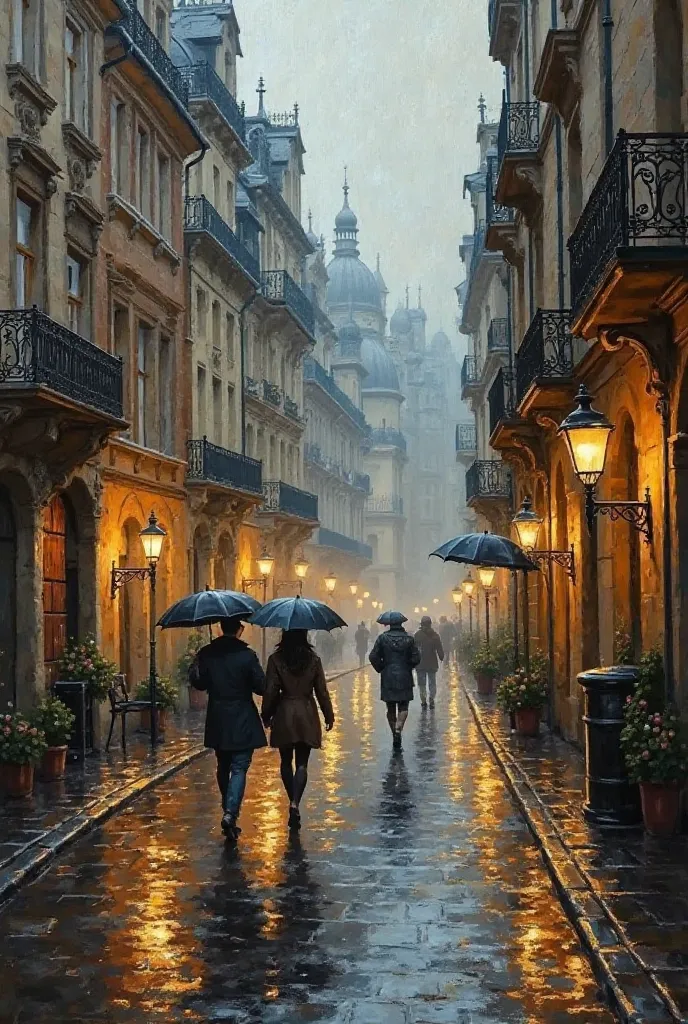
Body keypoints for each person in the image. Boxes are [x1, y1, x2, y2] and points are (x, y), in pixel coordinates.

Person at [189, 616, 267, 841]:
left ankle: (228, 811)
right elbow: (260, 687)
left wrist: (199, 664)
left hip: (217, 717)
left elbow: (200, 685)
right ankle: (230, 813)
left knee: (223, 764)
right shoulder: (247, 656)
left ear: (221, 628)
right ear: (240, 629)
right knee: (240, 766)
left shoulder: (207, 653)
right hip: (242, 716)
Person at [262, 629, 335, 831]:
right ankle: (295, 802)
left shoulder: (275, 659)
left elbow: (270, 690)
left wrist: (266, 714)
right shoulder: (313, 660)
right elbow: (321, 690)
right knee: (302, 763)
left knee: (286, 761)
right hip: (306, 713)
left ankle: (291, 799)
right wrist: (329, 715)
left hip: (284, 712)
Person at [369, 612, 421, 750]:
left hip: (388, 676)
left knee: (390, 707)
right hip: (405, 676)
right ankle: (398, 729)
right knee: (404, 706)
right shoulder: (409, 639)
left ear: (390, 625)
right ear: (401, 624)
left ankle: (394, 733)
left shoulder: (382, 638)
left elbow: (373, 656)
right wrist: (408, 666)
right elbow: (416, 658)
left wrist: (381, 668)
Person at [414, 616, 445, 709]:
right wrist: (441, 656)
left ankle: (423, 700)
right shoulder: (435, 635)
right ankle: (431, 698)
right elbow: (439, 648)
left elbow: (414, 649)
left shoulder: (417, 635)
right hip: (432, 662)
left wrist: (412, 660)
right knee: (432, 682)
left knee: (422, 683)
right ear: (430, 624)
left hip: (420, 663)